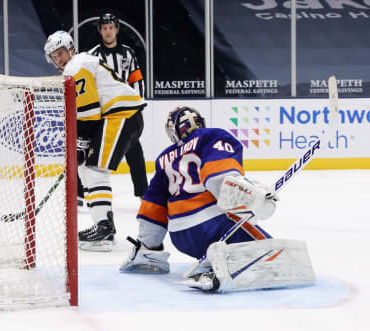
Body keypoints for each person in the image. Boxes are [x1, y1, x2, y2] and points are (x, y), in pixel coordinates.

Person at [120, 106, 315, 293]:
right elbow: (218, 177)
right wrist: (251, 200)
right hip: (214, 224)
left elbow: (153, 207)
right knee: (277, 259)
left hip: (181, 236)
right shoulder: (211, 136)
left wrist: (148, 247)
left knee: (238, 250)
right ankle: (218, 271)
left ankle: (213, 262)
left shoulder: (164, 158)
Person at [44, 30, 146, 252]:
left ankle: (105, 228)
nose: (60, 59)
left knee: (96, 169)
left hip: (120, 115)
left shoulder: (76, 65)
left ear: (71, 48)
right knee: (87, 169)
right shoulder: (79, 66)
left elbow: (89, 112)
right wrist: (81, 143)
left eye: (61, 52)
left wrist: (81, 140)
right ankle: (103, 225)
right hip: (118, 117)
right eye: (55, 56)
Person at [87, 13, 148, 198]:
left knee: (134, 150)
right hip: (104, 112)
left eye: (111, 28)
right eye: (104, 28)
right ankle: (83, 193)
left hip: (126, 110)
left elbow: (136, 79)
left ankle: (143, 193)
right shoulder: (92, 56)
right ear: (100, 30)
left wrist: (138, 106)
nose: (108, 31)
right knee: (90, 150)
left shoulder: (128, 53)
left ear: (117, 30)